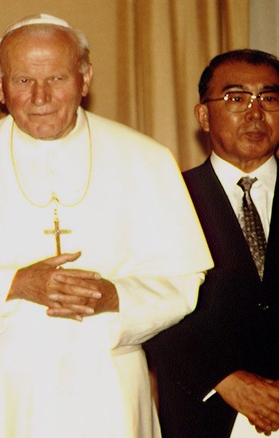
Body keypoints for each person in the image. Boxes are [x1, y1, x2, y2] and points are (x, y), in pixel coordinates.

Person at [0, 13, 213, 437]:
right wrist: (14, 285)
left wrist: (114, 296)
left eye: (57, 78)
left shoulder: (146, 160)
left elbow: (181, 280)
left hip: (104, 387)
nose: (41, 96)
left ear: (85, 78)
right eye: (23, 80)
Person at [145, 49, 279, 438]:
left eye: (269, 98)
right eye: (236, 98)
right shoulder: (168, 197)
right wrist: (223, 378)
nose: (256, 113)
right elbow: (149, 304)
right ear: (203, 115)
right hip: (205, 413)